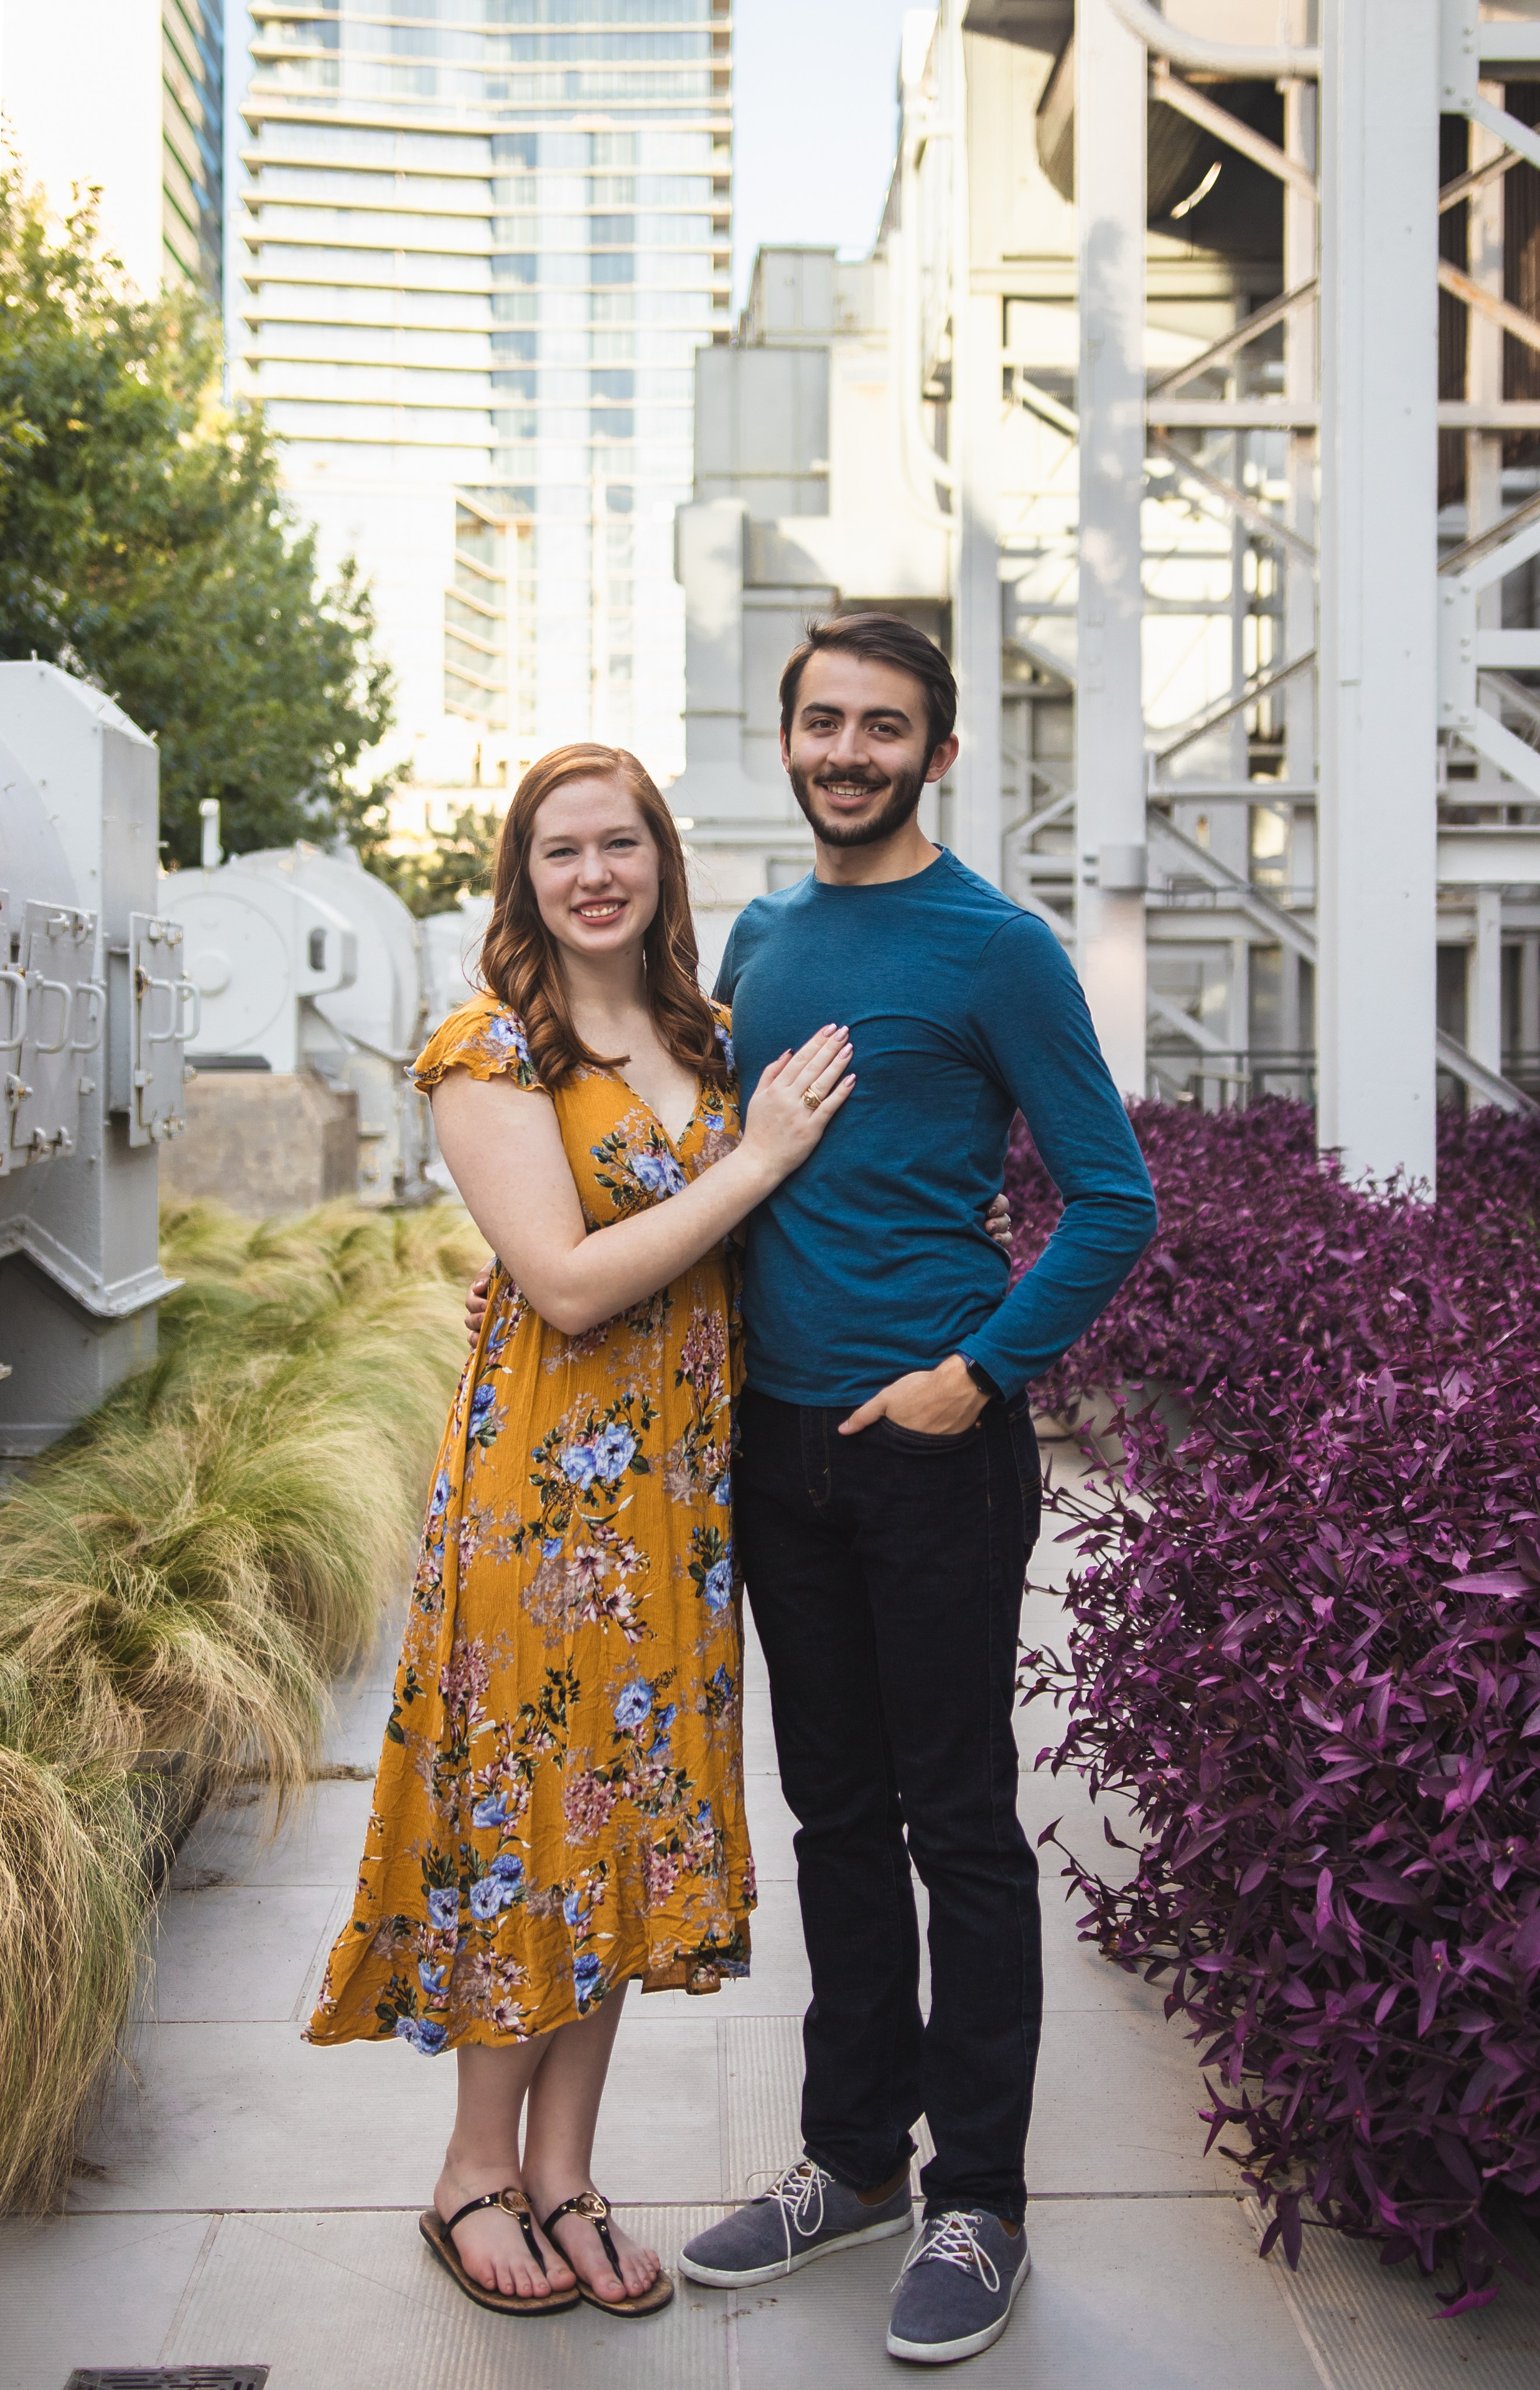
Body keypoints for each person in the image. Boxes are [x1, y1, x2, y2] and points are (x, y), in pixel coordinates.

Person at [304, 743, 859, 2323]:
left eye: (621, 843)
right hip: (543, 1506)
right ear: (523, 878)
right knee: (527, 1821)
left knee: (621, 1819)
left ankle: (566, 2174)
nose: (594, 873)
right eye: (562, 851)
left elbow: (771, 1239)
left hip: (680, 1504)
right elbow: (561, 1278)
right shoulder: (490, 1050)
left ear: (661, 863)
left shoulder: (710, 1033)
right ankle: (471, 2172)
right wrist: (755, 1164)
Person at [671, 614, 1159, 2366]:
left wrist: (979, 1376)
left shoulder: (997, 949)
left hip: (934, 1448)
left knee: (957, 1824)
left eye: (885, 727)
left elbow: (1114, 1196)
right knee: (830, 1819)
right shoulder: (764, 933)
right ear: (786, 738)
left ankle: (982, 2203)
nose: (850, 750)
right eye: (824, 721)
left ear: (937, 754)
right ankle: (852, 2160)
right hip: (778, 1449)